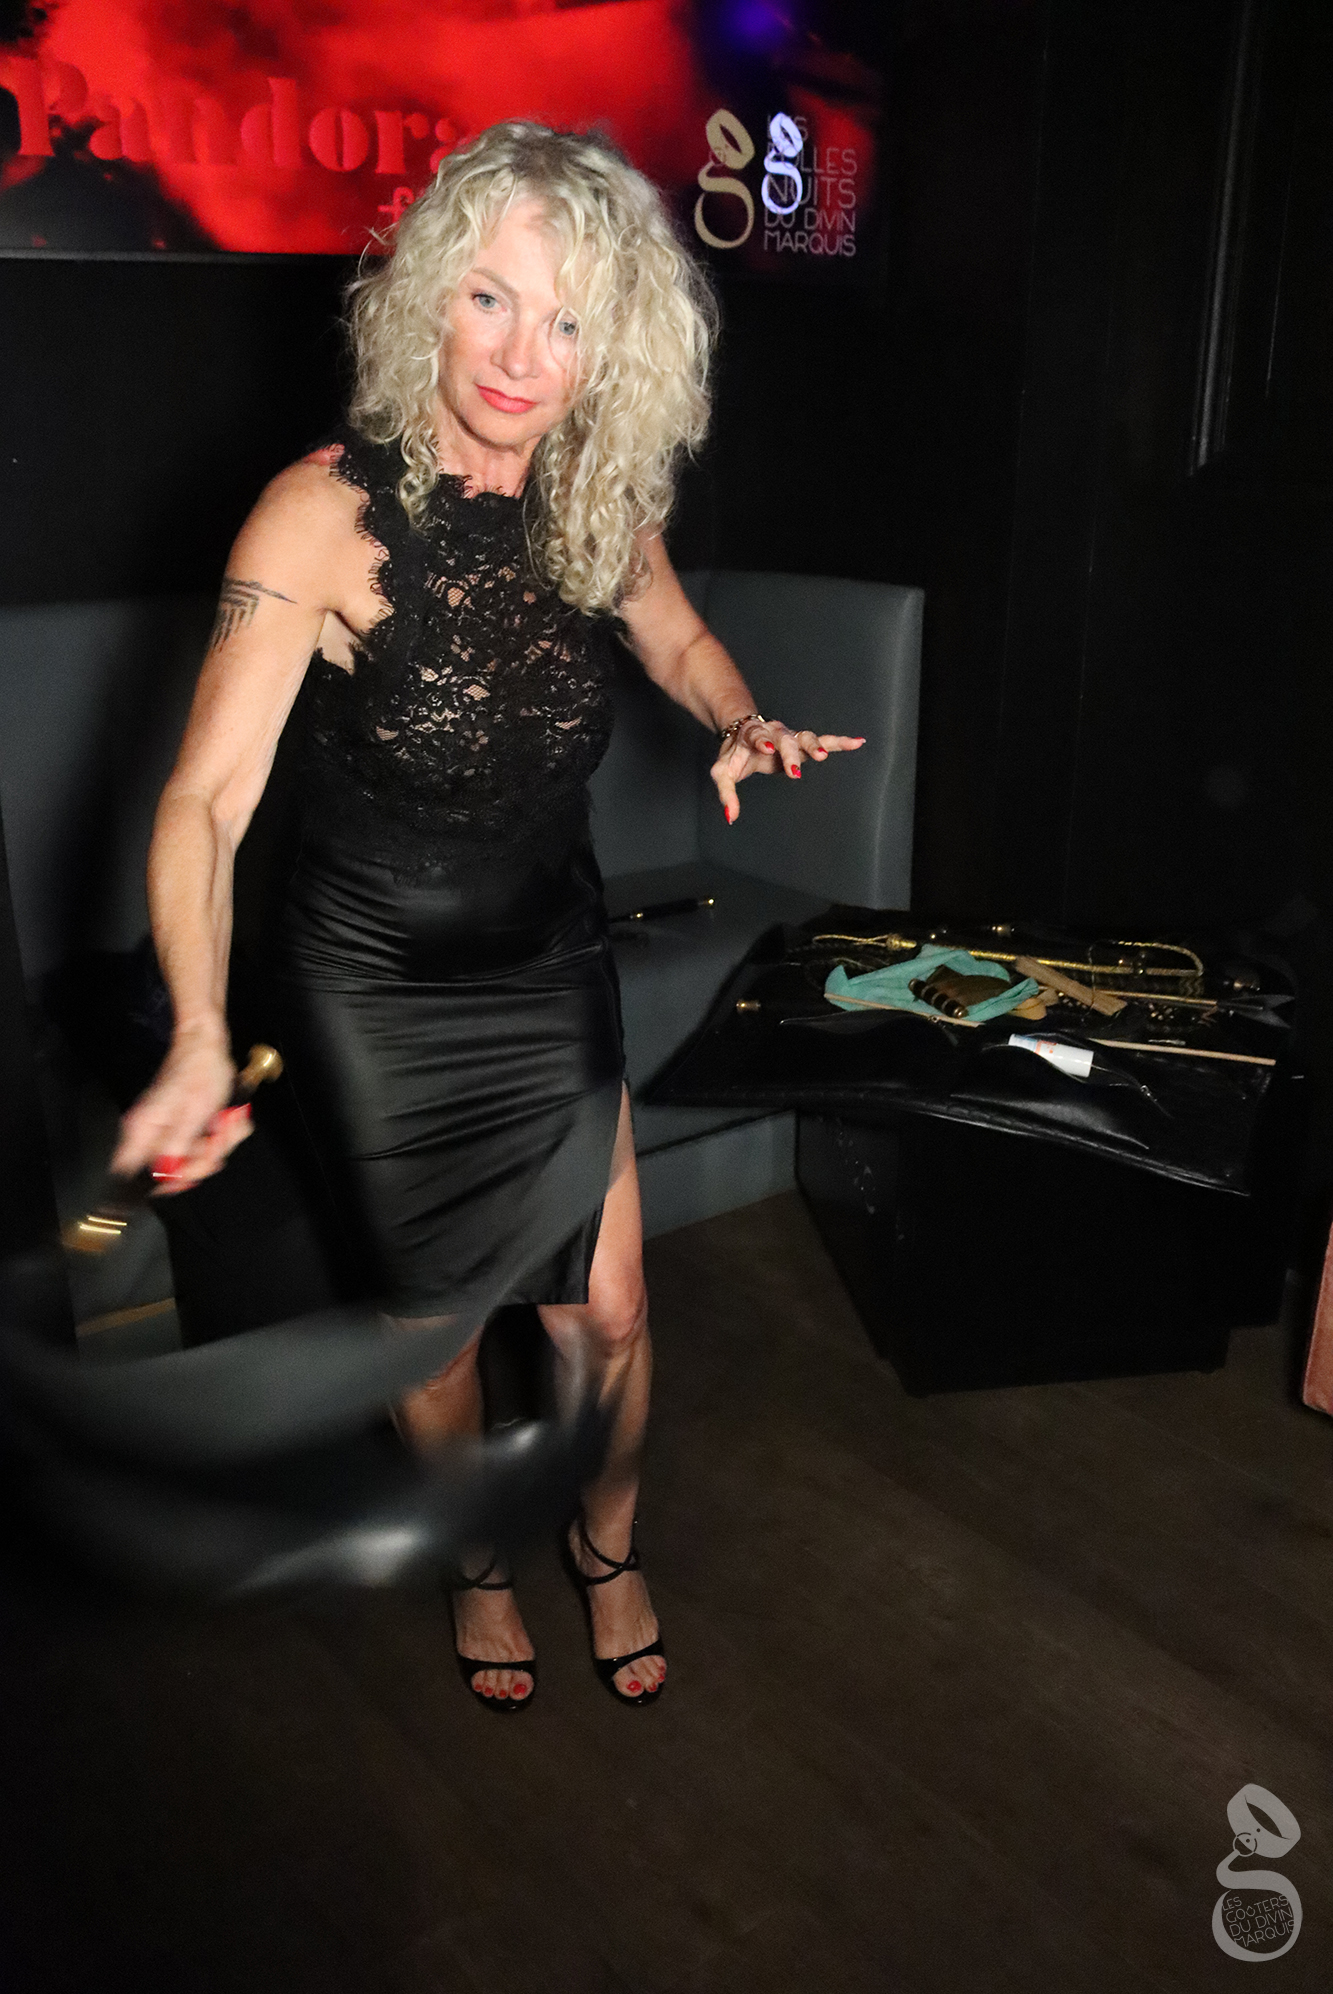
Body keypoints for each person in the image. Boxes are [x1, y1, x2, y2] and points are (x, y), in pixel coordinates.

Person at [113, 120, 864, 1711]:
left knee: (611, 1311)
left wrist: (738, 716)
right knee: (438, 1338)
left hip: (546, 957)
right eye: (491, 300)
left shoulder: (597, 502)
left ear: (617, 345)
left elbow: (677, 641)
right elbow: (205, 803)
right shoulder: (317, 515)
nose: (525, 356)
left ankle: (604, 1544)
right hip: (371, 988)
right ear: (426, 297)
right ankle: (474, 1560)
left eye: (569, 319)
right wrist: (195, 1031)